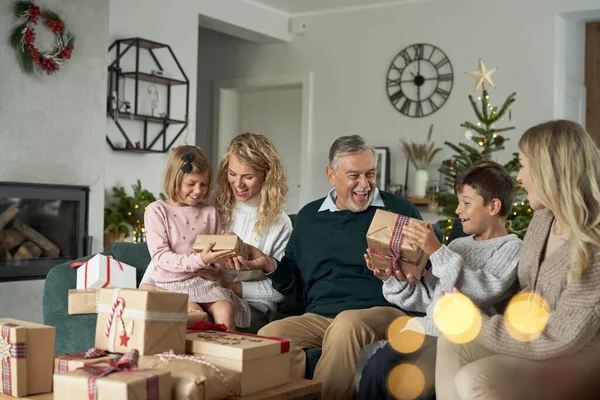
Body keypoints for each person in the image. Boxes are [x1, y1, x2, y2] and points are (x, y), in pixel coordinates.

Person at [225, 134, 425, 400]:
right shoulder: (309, 218)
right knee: (269, 335)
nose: (364, 184)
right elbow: (297, 289)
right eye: (354, 175)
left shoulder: (399, 210)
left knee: (346, 324)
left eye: (370, 174)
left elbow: (427, 274)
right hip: (321, 316)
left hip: (385, 311)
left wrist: (405, 272)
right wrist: (269, 264)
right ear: (331, 175)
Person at [435, 120, 600, 400]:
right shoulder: (544, 219)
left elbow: (560, 337)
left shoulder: (592, 244)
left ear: (550, 170)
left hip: (578, 357)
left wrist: (476, 322)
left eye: (524, 165)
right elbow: (525, 294)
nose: (519, 177)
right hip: (535, 341)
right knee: (451, 338)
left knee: (475, 379)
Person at [357, 160, 522, 400]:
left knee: (418, 382)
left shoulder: (511, 248)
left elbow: (482, 291)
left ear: (493, 206)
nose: (458, 210)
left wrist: (437, 251)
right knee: (377, 366)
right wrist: (394, 277)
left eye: (466, 202)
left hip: (460, 340)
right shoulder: (457, 246)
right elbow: (427, 299)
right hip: (426, 332)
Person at [141, 133, 292, 330]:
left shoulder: (280, 223)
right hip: (193, 285)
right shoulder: (208, 203)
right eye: (232, 174)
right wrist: (147, 285)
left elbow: (280, 290)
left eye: (248, 177)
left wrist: (227, 284)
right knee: (193, 315)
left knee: (209, 316)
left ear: (267, 175)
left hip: (249, 303)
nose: (238, 184)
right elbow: (172, 246)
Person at [144, 145, 250, 330]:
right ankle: (198, 357)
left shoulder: (210, 212)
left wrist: (226, 253)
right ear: (175, 180)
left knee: (225, 307)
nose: (198, 190)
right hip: (172, 283)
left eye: (204, 184)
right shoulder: (157, 211)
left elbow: (216, 261)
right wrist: (200, 259)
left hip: (203, 283)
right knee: (194, 313)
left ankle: (228, 355)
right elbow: (160, 257)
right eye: (191, 184)